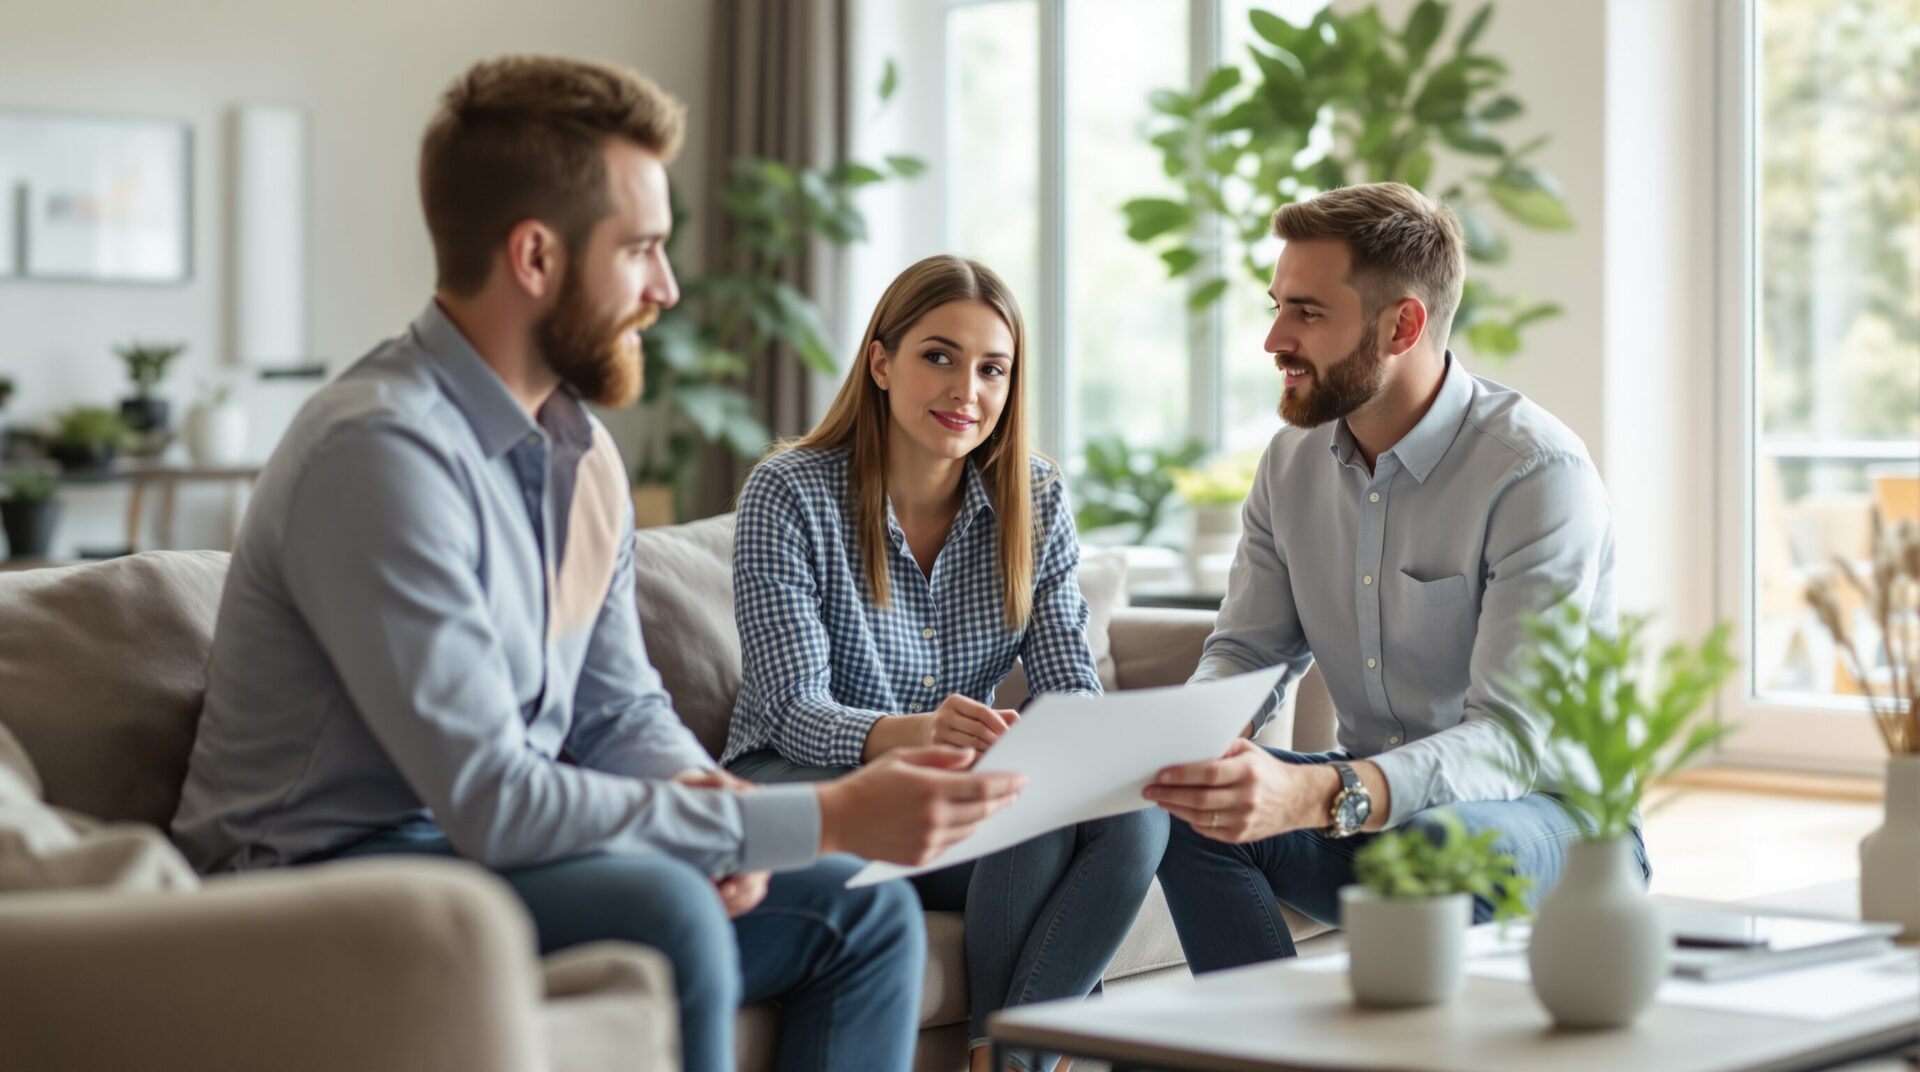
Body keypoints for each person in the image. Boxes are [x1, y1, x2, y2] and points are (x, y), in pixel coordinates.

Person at [171, 55, 1027, 1072]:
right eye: (643, 250)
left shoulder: (580, 454)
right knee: (666, 902)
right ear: (536, 256)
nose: (665, 288)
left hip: (472, 857)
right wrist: (825, 811)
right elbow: (490, 792)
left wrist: (727, 821)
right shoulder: (378, 453)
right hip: (313, 878)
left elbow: (617, 713)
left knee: (868, 912)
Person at [1142, 182, 1640, 972]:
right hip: (1370, 817)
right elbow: (1245, 656)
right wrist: (1183, 756)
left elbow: (1510, 743)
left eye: (1306, 312)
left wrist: (1314, 793)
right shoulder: (1289, 463)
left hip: (1546, 822)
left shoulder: (1536, 474)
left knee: (1440, 845)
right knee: (1179, 818)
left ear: (1402, 324)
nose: (1273, 337)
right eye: (1276, 305)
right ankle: (1263, 1054)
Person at [723, 254, 1168, 1072]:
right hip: (809, 782)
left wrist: (1094, 750)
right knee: (1010, 805)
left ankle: (1001, 1056)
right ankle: (1025, 1053)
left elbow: (1071, 679)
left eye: (992, 369)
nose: (968, 390)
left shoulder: (1032, 497)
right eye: (939, 356)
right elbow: (791, 706)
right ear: (882, 362)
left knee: (1133, 811)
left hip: (958, 802)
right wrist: (914, 734)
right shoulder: (789, 491)